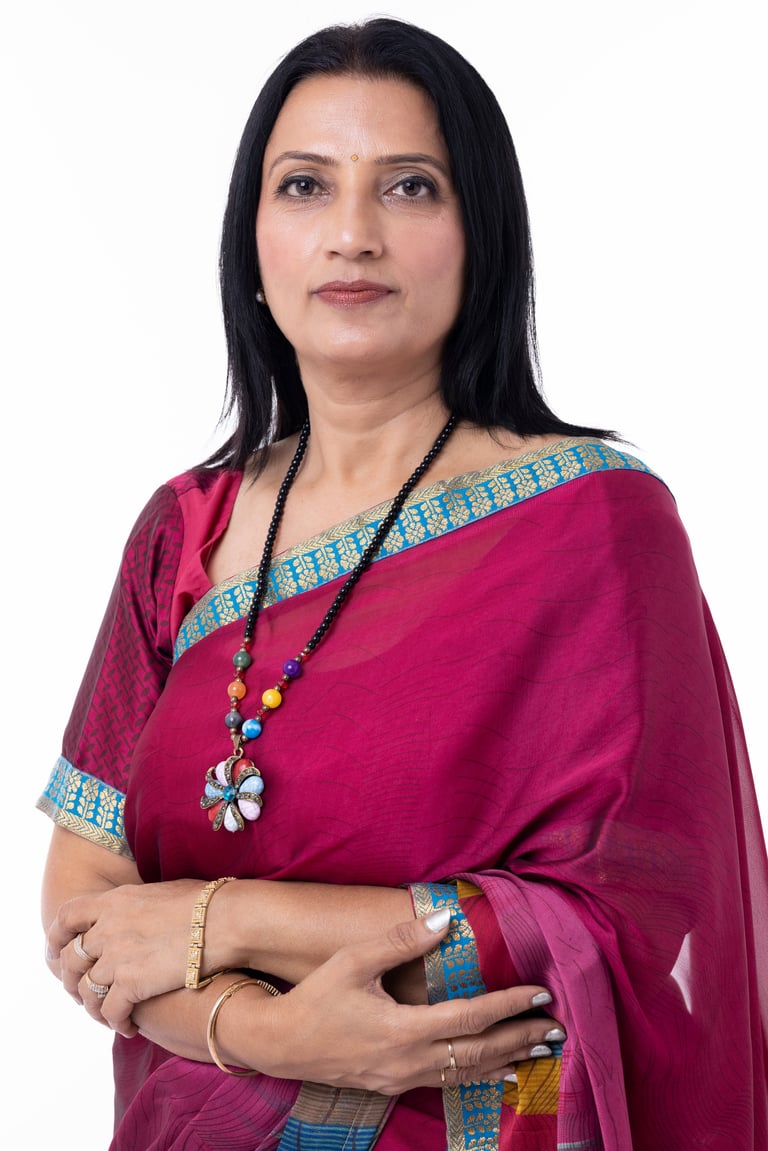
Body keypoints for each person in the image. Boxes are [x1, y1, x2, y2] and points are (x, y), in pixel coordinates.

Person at [39, 15, 768, 1150]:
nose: (352, 234)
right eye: (305, 186)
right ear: (250, 239)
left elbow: (627, 917)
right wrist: (273, 1031)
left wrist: (221, 917)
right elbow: (88, 904)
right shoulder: (185, 530)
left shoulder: (593, 523)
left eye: (411, 187)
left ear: (484, 233)